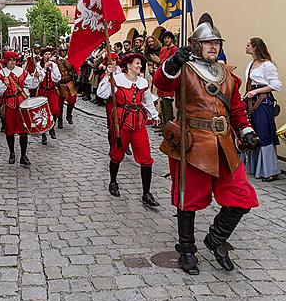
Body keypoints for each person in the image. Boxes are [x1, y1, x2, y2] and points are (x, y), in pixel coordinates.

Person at [154, 22, 259, 275]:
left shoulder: (227, 74)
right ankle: (187, 250)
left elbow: (235, 109)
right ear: (196, 45)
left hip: (223, 143)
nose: (214, 46)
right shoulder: (184, 70)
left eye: (217, 43)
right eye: (208, 42)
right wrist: (172, 62)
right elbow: (162, 84)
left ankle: (215, 238)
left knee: (241, 196)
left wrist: (246, 130)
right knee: (187, 199)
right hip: (192, 143)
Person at [97, 52, 161, 209]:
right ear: (128, 65)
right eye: (137, 63)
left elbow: (147, 101)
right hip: (121, 122)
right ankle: (113, 181)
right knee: (117, 154)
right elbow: (101, 94)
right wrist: (107, 76)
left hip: (138, 122)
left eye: (140, 64)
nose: (140, 66)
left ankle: (146, 193)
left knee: (146, 158)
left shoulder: (143, 82)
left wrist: (155, 115)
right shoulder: (117, 80)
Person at [243, 37, 282, 181]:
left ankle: (270, 170)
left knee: (264, 132)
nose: (245, 47)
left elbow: (276, 85)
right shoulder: (251, 64)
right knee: (253, 132)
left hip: (263, 102)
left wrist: (256, 92)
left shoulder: (268, 65)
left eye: (248, 45)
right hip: (251, 101)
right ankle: (255, 167)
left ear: (255, 48)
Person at [0, 50, 39, 165]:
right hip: (9, 104)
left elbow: (31, 85)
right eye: (10, 60)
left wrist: (35, 78)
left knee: (23, 130)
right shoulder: (1, 74)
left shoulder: (22, 72)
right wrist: (5, 84)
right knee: (10, 130)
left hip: (22, 104)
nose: (12, 62)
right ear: (6, 61)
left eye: (14, 60)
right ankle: (12, 153)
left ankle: (23, 155)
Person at [36, 47, 62, 145]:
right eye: (46, 54)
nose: (47, 56)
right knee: (43, 113)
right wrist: (44, 68)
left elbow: (57, 78)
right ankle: (43, 135)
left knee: (55, 111)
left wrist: (52, 68)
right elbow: (39, 78)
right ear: (42, 56)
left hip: (52, 91)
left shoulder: (54, 65)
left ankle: (52, 127)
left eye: (49, 54)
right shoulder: (38, 65)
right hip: (42, 92)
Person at [155, 30, 178, 126]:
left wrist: (159, 61)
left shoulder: (174, 49)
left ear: (171, 39)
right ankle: (163, 125)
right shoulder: (163, 49)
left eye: (168, 38)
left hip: (168, 79)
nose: (166, 40)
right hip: (161, 77)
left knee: (168, 103)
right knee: (162, 102)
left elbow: (171, 64)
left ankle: (169, 126)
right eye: (165, 38)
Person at [56, 46, 77, 128]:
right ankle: (60, 121)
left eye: (65, 51)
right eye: (62, 51)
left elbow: (75, 68)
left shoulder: (70, 60)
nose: (63, 52)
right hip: (61, 84)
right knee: (60, 104)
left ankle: (69, 115)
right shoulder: (55, 61)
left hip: (70, 82)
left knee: (72, 100)